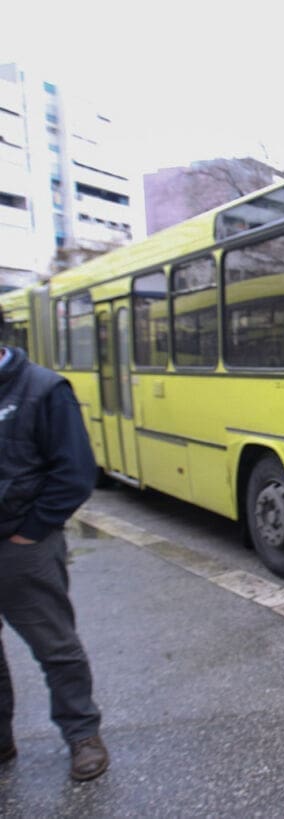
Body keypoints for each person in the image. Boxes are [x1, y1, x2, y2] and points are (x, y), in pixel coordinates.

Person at [0, 308, 109, 782]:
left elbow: (75, 473)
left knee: (55, 648)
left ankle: (82, 735)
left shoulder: (42, 389)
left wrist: (31, 530)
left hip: (23, 547)